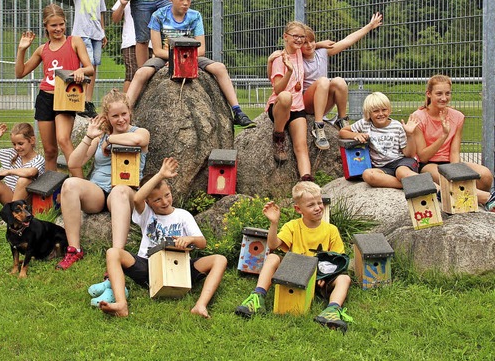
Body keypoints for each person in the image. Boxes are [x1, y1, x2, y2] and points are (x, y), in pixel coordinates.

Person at [94, 157, 227, 318]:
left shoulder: (182, 215)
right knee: (113, 252)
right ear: (148, 202)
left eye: (167, 195)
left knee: (220, 259)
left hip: (180, 269)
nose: (165, 202)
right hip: (148, 268)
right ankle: (121, 305)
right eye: (157, 199)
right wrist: (161, 174)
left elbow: (202, 243)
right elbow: (136, 198)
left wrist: (190, 239)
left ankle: (200, 305)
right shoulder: (146, 214)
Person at [125, 0, 255, 128]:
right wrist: (174, 58)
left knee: (220, 68)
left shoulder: (195, 16)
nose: (185, 3)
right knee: (141, 73)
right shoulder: (158, 16)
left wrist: (185, 59)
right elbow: (158, 50)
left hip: (191, 56)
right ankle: (126, 111)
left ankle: (237, 111)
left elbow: (201, 49)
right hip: (165, 56)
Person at [234, 181, 353, 332]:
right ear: (298, 209)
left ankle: (332, 311)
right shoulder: (292, 226)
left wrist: (327, 275)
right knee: (273, 258)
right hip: (295, 274)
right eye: (311, 205)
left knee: (344, 278)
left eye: (319, 202)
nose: (318, 208)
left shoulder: (331, 230)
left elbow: (338, 259)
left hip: (321, 278)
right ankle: (257, 298)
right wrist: (274, 223)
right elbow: (273, 245)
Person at [56, 89, 150, 270]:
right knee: (69, 184)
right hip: (98, 192)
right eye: (115, 116)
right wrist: (89, 136)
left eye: (124, 114)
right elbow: (74, 163)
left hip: (125, 191)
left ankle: (117, 255)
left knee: (119, 190)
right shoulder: (100, 137)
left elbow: (138, 140)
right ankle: (74, 250)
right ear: (107, 117)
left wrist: (110, 140)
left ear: (130, 112)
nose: (121, 119)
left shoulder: (141, 132)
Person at [15, 4, 93, 174]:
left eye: (61, 24)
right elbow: (20, 73)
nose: (58, 29)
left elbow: (90, 68)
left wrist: (81, 70)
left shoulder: (75, 42)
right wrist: (22, 50)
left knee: (63, 140)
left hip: (66, 98)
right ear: (46, 26)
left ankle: (81, 185)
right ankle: (50, 195)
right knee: (50, 151)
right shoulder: (42, 49)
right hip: (45, 98)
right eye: (54, 25)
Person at [411, 74, 495, 209]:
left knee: (485, 175)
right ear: (429, 94)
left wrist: (456, 172)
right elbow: (423, 156)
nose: (444, 98)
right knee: (444, 177)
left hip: (449, 162)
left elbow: (454, 152)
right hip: (428, 164)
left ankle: (480, 204)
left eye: (447, 93)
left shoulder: (458, 116)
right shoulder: (418, 117)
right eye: (439, 93)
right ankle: (487, 198)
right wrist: (443, 135)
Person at [301, 13, 383, 150]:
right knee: (323, 81)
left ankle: (342, 120)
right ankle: (318, 126)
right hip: (307, 103)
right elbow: (287, 50)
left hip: (323, 102)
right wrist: (319, 43)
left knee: (339, 81)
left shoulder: (322, 53)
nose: (309, 45)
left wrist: (369, 26)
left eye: (312, 41)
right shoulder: (297, 57)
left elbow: (347, 40)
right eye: (305, 43)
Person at [52, 0, 107, 118]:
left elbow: (100, 12)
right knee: (85, 65)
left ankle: (88, 101)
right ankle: (80, 101)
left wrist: (103, 32)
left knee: (94, 67)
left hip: (96, 32)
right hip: (82, 32)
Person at [339, 92, 419, 189]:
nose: (381, 114)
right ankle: (408, 184)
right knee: (368, 175)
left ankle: (433, 187)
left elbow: (409, 154)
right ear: (369, 113)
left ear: (389, 110)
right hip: (381, 167)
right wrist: (356, 135)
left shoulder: (396, 126)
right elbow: (343, 132)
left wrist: (410, 135)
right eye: (376, 111)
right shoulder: (364, 124)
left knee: (402, 173)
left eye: (384, 110)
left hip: (401, 162)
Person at [266, 22, 312, 179]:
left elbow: (312, 45)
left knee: (301, 146)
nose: (299, 40)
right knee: (286, 96)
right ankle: (278, 136)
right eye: (295, 36)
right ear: (285, 37)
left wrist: (321, 44)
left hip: (297, 108)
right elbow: (278, 89)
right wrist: (289, 71)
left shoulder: (299, 52)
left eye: (302, 37)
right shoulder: (280, 58)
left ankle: (306, 180)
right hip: (281, 106)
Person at [0, 123, 46, 232]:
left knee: (23, 181)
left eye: (20, 143)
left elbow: (31, 172)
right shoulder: (11, 154)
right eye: (14, 144)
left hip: (27, 205)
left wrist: (8, 171)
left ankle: (12, 220)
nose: (17, 147)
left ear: (31, 140)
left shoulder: (38, 159)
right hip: (11, 200)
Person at [111, 0, 139, 92]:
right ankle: (126, 105)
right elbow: (115, 19)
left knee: (147, 76)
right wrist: (122, 5)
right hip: (131, 41)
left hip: (150, 42)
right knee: (131, 74)